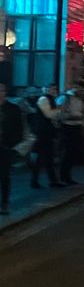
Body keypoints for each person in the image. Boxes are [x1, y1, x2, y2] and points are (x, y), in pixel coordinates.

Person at [32, 83, 63, 189]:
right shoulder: (43, 99)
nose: (54, 91)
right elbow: (49, 115)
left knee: (45, 158)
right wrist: (59, 109)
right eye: (52, 89)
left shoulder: (50, 99)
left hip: (46, 132)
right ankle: (47, 181)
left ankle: (47, 181)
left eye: (55, 89)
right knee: (44, 158)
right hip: (43, 133)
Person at [0, 84, 24, 216]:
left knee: (4, 176)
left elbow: (18, 129)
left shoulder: (13, 108)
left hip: (5, 147)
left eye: (1, 90)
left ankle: (4, 203)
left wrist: (11, 144)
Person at [57, 84, 84, 185]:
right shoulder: (66, 98)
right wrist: (75, 117)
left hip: (76, 127)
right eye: (78, 88)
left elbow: (82, 113)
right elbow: (61, 115)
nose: (80, 90)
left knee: (72, 153)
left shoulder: (80, 100)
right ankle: (63, 176)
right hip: (67, 128)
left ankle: (68, 176)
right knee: (66, 153)